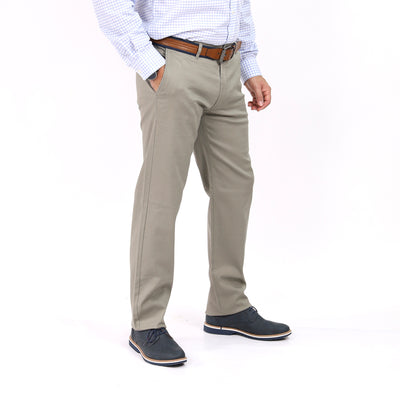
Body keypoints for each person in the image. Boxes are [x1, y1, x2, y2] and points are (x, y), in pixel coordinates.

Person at [92, 0, 292, 367]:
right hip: (174, 63)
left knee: (235, 187)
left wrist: (250, 66)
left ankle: (228, 306)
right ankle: (146, 323)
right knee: (161, 193)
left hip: (228, 67)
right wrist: (151, 66)